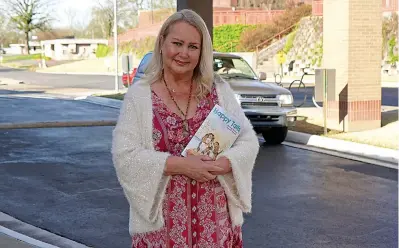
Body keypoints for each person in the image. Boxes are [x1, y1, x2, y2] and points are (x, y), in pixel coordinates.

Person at [112, 9, 259, 248]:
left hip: (217, 229)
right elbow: (125, 155)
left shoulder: (219, 91)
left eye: (193, 46)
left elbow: (248, 141)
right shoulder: (140, 97)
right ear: (162, 44)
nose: (183, 53)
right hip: (161, 230)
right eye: (177, 43)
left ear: (202, 52)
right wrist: (181, 165)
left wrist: (226, 163)